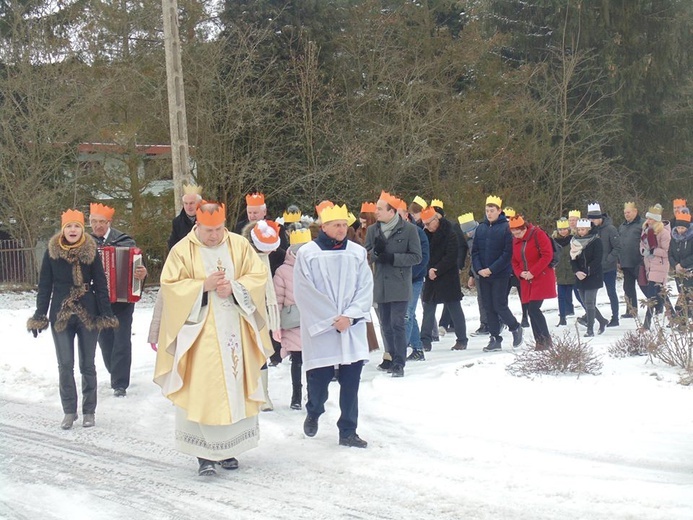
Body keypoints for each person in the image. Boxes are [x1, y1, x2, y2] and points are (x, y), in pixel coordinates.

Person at [154, 201, 271, 476]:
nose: (214, 235)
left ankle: (229, 449)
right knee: (202, 390)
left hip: (235, 331)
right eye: (208, 230)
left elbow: (258, 276)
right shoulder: (182, 250)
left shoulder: (239, 246)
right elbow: (170, 287)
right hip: (199, 334)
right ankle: (204, 456)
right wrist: (202, 287)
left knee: (235, 384)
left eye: (218, 229)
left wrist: (235, 287)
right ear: (198, 225)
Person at [27, 209, 118, 429]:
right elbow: (45, 286)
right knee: (65, 364)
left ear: (82, 229)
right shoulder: (51, 253)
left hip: (88, 312)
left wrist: (105, 313)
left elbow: (101, 284)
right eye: (69, 226)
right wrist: (40, 314)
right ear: (63, 229)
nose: (73, 230)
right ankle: (69, 410)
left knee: (87, 365)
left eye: (77, 226)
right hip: (61, 314)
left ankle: (89, 410)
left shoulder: (91, 251)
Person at [294, 204, 373, 448]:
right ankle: (314, 410)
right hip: (323, 328)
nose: (341, 229)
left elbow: (365, 287)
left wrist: (349, 316)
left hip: (350, 327)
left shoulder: (357, 253)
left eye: (343, 225)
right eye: (336, 225)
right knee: (319, 379)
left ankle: (348, 430)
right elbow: (304, 291)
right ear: (324, 227)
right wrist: (331, 319)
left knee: (351, 382)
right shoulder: (307, 253)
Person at [89, 202, 147, 397]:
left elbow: (139, 267)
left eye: (101, 222)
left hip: (123, 300)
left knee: (122, 340)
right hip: (97, 301)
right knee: (105, 340)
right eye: (94, 222)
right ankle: (115, 372)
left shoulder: (124, 241)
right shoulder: (85, 243)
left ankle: (120, 384)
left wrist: (141, 274)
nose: (97, 226)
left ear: (109, 222)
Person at [364, 192, 422, 377]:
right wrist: (376, 252)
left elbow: (416, 257)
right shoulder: (373, 230)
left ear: (391, 211)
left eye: (380, 209)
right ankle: (391, 356)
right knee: (386, 324)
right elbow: (365, 256)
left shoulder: (409, 229)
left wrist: (393, 258)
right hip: (380, 284)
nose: (376, 212)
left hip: (400, 283)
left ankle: (399, 362)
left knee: (398, 323)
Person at [242, 219, 285, 410]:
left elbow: (270, 289)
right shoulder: (243, 255)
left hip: (263, 310)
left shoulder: (267, 257)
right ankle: (249, 393)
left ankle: (263, 394)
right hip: (244, 309)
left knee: (261, 350)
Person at [471, 195, 523, 352]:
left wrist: (492, 269)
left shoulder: (506, 228)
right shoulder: (481, 228)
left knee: (499, 305)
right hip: (483, 274)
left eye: (492, 210)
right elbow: (475, 252)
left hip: (500, 274)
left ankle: (515, 327)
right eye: (487, 210)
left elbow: (507, 253)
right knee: (488, 306)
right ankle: (495, 338)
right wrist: (479, 269)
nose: (489, 213)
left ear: (499, 211)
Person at [419, 206, 469, 352]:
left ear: (436, 219)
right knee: (428, 308)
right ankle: (425, 340)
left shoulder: (450, 232)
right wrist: (428, 269)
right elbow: (422, 253)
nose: (427, 227)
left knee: (454, 308)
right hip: (430, 275)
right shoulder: (425, 234)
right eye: (425, 224)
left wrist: (438, 270)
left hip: (447, 276)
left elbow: (452, 255)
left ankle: (462, 339)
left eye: (429, 223)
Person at [273, 228, 312, 409]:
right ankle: (300, 394)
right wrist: (277, 324)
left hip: (309, 320)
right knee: (299, 359)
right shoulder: (283, 271)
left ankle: (306, 395)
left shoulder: (316, 267)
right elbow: (278, 298)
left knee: (306, 361)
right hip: (297, 320)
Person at [509, 216, 557, 350]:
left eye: (518, 233)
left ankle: (545, 339)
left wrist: (533, 272)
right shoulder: (515, 240)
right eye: (513, 233)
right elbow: (514, 261)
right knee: (531, 310)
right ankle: (540, 341)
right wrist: (520, 273)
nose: (516, 236)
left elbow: (547, 255)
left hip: (541, 276)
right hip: (526, 279)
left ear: (524, 228)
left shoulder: (538, 234)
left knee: (533, 309)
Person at [570, 218, 609, 337]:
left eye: (583, 229)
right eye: (579, 229)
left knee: (589, 302)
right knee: (585, 303)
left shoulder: (596, 241)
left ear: (588, 229)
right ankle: (602, 320)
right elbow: (572, 259)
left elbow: (597, 259)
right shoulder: (575, 241)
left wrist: (586, 271)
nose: (581, 232)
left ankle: (590, 329)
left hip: (593, 275)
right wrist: (577, 271)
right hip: (580, 276)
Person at [586, 202, 620, 327]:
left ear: (600, 217)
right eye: (590, 218)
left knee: (611, 292)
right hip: (595, 268)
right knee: (591, 294)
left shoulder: (610, 229)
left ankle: (615, 317)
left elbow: (617, 247)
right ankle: (590, 317)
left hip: (608, 268)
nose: (593, 221)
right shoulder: (590, 230)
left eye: (594, 218)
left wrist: (608, 260)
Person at [639, 204, 671, 331]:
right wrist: (643, 251)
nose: (648, 221)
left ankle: (646, 324)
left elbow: (667, 252)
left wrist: (653, 251)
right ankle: (674, 317)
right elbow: (642, 245)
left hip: (660, 266)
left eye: (651, 219)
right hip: (650, 265)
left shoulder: (664, 233)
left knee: (652, 295)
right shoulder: (646, 231)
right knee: (661, 294)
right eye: (648, 218)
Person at [460, 213, 489, 335]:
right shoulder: (469, 241)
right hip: (477, 273)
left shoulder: (484, 234)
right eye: (466, 232)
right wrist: (471, 275)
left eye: (470, 231)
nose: (469, 234)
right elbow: (472, 258)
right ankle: (485, 323)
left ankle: (492, 323)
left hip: (487, 272)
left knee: (489, 300)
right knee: (481, 299)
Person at [618, 202, 645, 318]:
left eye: (628, 212)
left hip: (639, 261)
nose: (626, 215)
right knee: (628, 288)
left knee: (645, 286)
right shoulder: (622, 226)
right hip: (626, 262)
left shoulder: (643, 224)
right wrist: (619, 260)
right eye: (625, 213)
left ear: (635, 211)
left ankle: (657, 305)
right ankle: (631, 310)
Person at [669, 211, 693, 320]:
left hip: (689, 270)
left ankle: (683, 320)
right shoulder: (674, 239)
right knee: (682, 293)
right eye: (678, 228)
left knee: (686, 295)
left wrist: (683, 264)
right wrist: (675, 265)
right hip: (678, 272)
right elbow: (670, 253)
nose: (680, 231)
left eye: (682, 228)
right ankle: (685, 318)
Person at [553, 217, 576, 326]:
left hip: (572, 271)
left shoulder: (574, 240)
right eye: (560, 230)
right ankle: (562, 317)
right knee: (561, 296)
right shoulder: (555, 242)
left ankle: (591, 314)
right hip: (561, 272)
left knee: (579, 295)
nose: (563, 231)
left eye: (564, 229)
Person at [167, 184, 202, 250]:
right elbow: (173, 245)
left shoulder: (208, 219)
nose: (188, 207)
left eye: (192, 203)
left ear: (199, 203)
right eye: (186, 203)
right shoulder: (177, 222)